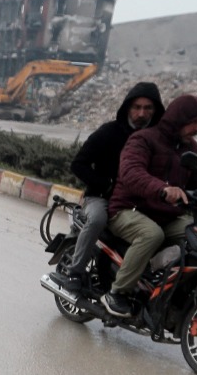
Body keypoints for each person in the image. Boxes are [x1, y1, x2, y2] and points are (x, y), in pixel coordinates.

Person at [102, 93, 197, 318]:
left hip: (167, 215)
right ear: (178, 120)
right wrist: (162, 189)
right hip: (128, 210)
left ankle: (170, 290)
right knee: (152, 235)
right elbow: (131, 172)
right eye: (193, 122)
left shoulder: (190, 146)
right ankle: (117, 293)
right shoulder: (143, 139)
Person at [55, 82, 164, 289]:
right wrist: (106, 185)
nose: (142, 113)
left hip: (137, 202)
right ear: (127, 108)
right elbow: (78, 164)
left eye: (148, 108)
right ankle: (75, 273)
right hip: (101, 197)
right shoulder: (109, 132)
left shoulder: (157, 139)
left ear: (156, 110)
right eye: (137, 107)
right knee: (97, 220)